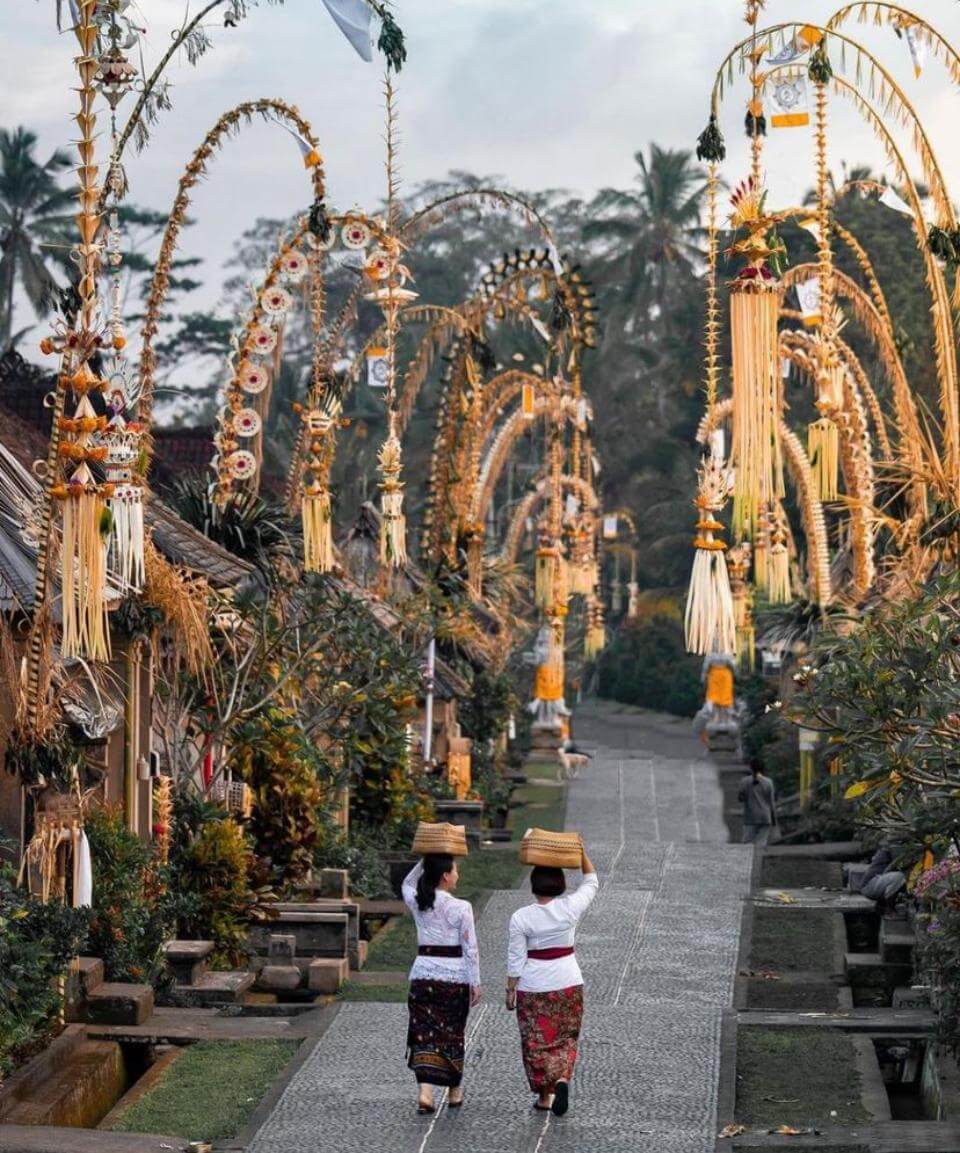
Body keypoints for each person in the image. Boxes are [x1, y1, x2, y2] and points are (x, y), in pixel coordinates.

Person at [505, 845, 599, 1117]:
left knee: (536, 1040)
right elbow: (592, 881)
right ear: (561, 884)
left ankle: (545, 1096)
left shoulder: (521, 917)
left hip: (533, 985)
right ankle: (562, 1080)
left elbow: (515, 959)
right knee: (565, 1038)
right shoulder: (570, 907)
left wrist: (510, 990)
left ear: (533, 886)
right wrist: (579, 851)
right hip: (568, 981)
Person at [402, 854, 481, 1113]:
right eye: (455, 870)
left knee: (423, 1032)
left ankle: (425, 1091)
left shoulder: (417, 901)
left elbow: (406, 883)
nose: (458, 874)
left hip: (422, 976)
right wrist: (475, 982)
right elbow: (471, 949)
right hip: (454, 978)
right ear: (446, 876)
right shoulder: (461, 907)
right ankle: (454, 1090)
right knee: (452, 1034)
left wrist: (426, 857)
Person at [738, 757, 778, 846]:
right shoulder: (769, 782)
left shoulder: (745, 781)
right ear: (763, 768)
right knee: (761, 843)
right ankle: (758, 859)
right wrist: (774, 820)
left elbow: (740, 798)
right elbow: (771, 802)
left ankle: (747, 859)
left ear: (750, 767)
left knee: (747, 843)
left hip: (750, 817)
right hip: (765, 817)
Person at [858, 845, 906, 914]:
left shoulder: (886, 850)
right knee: (899, 876)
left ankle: (881, 906)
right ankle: (889, 909)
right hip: (870, 885)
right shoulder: (890, 850)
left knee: (899, 879)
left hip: (873, 885)